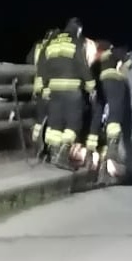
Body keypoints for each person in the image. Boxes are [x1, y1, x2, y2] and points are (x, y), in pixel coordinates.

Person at [42, 17, 92, 169]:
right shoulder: (76, 41)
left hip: (54, 88)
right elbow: (81, 65)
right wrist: (91, 86)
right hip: (71, 89)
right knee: (73, 123)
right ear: (78, 29)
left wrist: (45, 87)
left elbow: (43, 65)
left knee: (55, 124)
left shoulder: (53, 41)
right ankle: (63, 155)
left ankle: (53, 154)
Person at [86, 42, 132, 180]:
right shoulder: (115, 51)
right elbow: (128, 63)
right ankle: (112, 151)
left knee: (98, 115)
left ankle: (91, 150)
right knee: (115, 114)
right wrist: (124, 67)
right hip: (115, 82)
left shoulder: (99, 58)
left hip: (101, 84)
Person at [27, 28, 58, 160]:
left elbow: (29, 62)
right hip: (50, 89)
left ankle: (36, 148)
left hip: (37, 89)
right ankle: (49, 151)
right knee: (52, 123)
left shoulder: (38, 46)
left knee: (39, 122)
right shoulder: (54, 48)